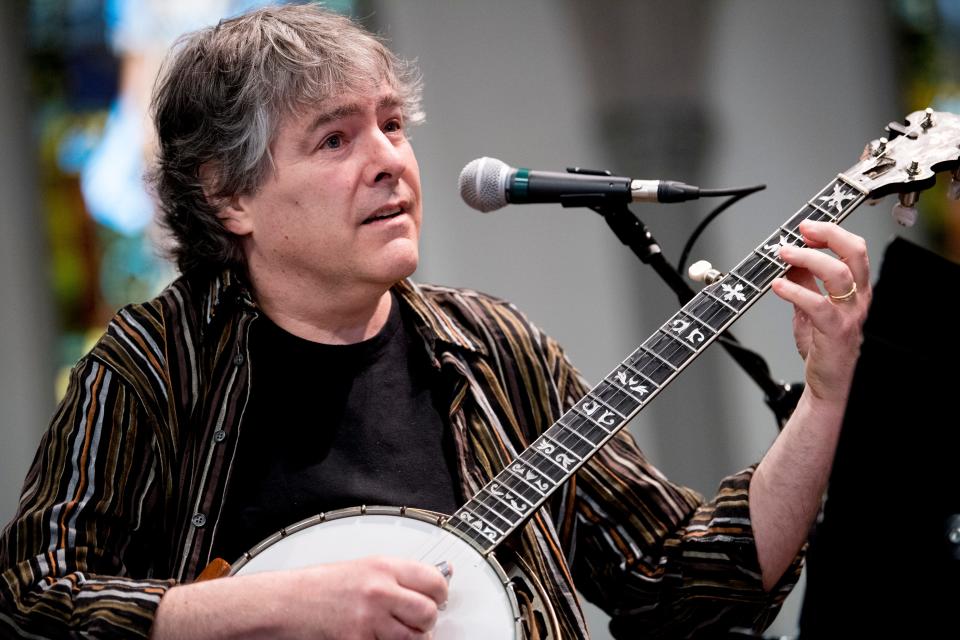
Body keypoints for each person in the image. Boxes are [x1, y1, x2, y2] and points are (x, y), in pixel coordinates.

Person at [0, 4, 871, 639]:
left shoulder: (494, 349)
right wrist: (271, 605)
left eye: (390, 125)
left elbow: (687, 586)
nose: (388, 161)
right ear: (230, 196)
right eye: (335, 140)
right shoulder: (157, 363)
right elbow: (36, 599)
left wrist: (824, 401)